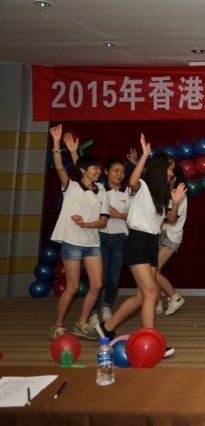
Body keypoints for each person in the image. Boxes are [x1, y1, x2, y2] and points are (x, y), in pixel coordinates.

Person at [96, 134, 187, 357]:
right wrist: (145, 156)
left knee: (141, 296)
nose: (172, 173)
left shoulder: (162, 195)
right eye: (169, 169)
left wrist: (175, 203)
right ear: (160, 169)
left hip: (151, 244)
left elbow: (171, 219)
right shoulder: (143, 187)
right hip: (137, 241)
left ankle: (106, 326)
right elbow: (132, 182)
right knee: (152, 293)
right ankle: (152, 341)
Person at [49, 125, 108, 340]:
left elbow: (103, 221)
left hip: (92, 243)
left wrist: (86, 224)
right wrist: (57, 142)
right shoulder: (71, 187)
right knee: (73, 286)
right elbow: (59, 166)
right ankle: (57, 325)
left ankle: (81, 322)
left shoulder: (101, 191)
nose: (98, 171)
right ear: (84, 170)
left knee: (97, 284)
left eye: (99, 168)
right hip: (72, 243)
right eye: (94, 168)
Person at [89, 158, 130, 326]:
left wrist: (119, 215)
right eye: (115, 171)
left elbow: (136, 216)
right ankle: (93, 312)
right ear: (106, 172)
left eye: (122, 172)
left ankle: (107, 306)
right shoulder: (98, 189)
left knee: (114, 278)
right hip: (101, 238)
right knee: (100, 279)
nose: (119, 174)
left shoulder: (128, 191)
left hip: (120, 239)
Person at [155, 165, 188, 316]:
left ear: (174, 178)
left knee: (153, 270)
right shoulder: (165, 193)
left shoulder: (179, 195)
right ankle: (157, 302)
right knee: (154, 270)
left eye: (168, 175)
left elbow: (171, 219)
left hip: (171, 236)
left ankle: (174, 296)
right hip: (162, 234)